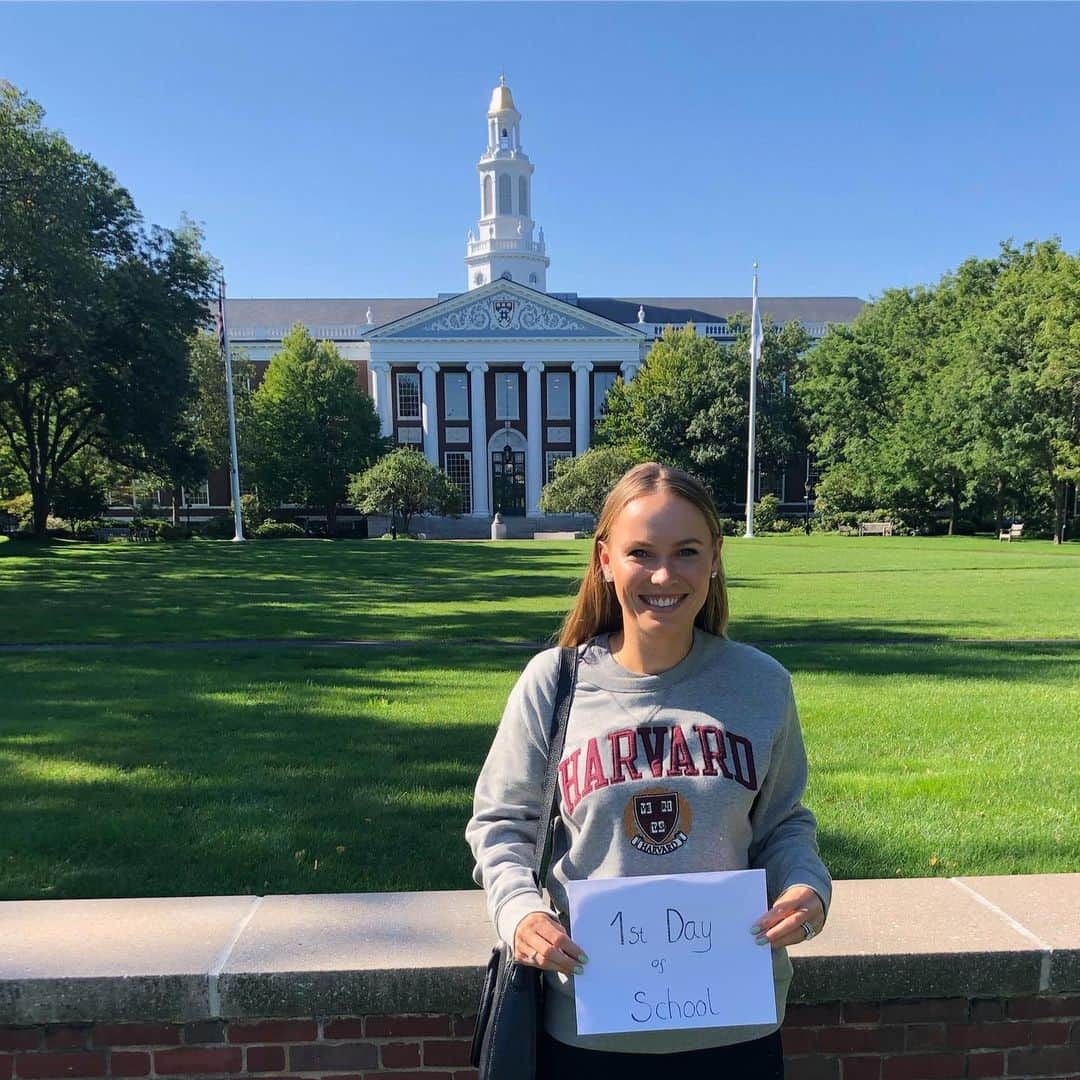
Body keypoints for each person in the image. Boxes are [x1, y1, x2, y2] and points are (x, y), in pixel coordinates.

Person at [466, 463, 830, 1079]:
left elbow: (783, 824)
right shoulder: (554, 683)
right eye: (642, 553)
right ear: (605, 559)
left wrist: (806, 889)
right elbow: (502, 825)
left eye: (686, 552)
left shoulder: (761, 684)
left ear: (715, 557)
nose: (664, 575)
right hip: (588, 1031)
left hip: (734, 1026)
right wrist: (520, 914)